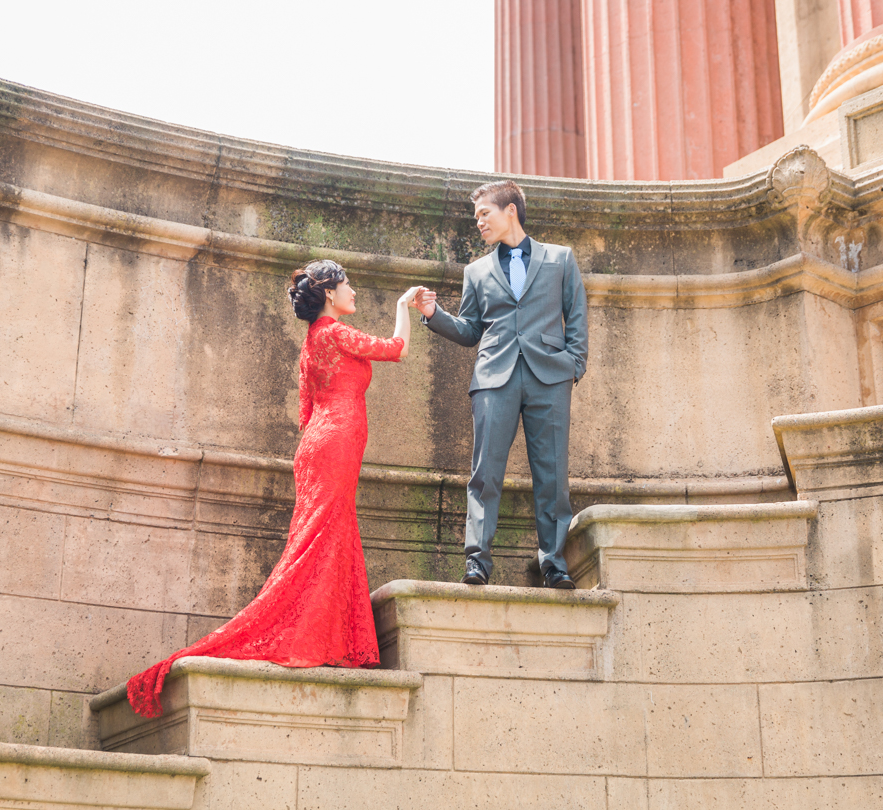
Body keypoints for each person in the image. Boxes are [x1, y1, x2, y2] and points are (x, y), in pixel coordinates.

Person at [126, 261, 421, 718]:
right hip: (336, 442)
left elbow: (307, 409)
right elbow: (396, 349)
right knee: (325, 535)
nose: (353, 291)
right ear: (328, 294)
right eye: (347, 285)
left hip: (320, 445)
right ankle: (318, 638)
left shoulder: (313, 340)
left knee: (324, 535)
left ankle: (331, 638)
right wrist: (404, 304)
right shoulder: (333, 333)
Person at [409, 180, 588, 589]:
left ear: (510, 210)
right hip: (494, 379)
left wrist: (574, 365)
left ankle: (553, 563)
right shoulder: (476, 271)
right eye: (476, 217)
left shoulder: (561, 258)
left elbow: (576, 313)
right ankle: (477, 561)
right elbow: (471, 330)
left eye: (484, 214)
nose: (479, 223)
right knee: (485, 474)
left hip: (550, 377)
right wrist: (434, 314)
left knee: (552, 476)